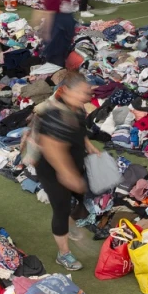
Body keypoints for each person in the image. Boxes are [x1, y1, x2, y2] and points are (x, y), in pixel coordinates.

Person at [32, 72, 98, 271]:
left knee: (77, 198)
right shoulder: (55, 114)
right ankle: (64, 254)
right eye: (81, 92)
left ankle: (69, 222)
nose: (85, 97)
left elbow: (79, 130)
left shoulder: (77, 108)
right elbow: (52, 148)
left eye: (86, 92)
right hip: (52, 169)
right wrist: (67, 174)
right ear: (67, 91)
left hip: (72, 161)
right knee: (60, 208)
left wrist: (88, 145)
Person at [38, 0, 77, 66]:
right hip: (68, 20)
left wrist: (46, 31)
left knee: (54, 50)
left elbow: (50, 13)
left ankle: (55, 69)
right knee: (63, 48)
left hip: (58, 22)